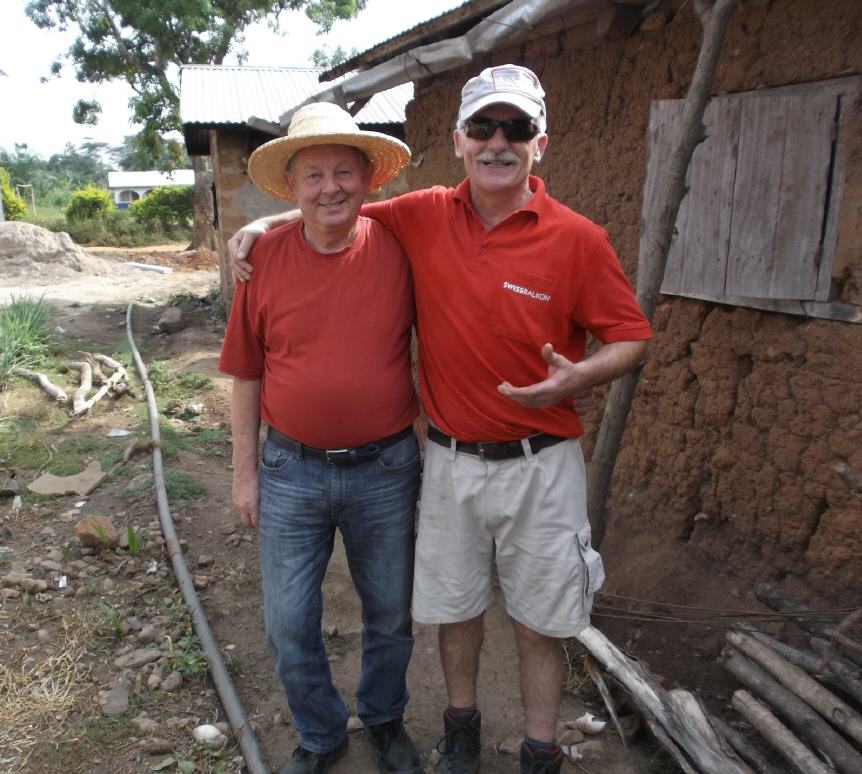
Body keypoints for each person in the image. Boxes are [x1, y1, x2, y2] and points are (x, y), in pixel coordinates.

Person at [230, 65, 653, 774]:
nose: (498, 142)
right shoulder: (421, 215)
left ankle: (533, 747)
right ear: (458, 140)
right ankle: (427, 730)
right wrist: (256, 224)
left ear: (538, 143)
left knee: (526, 618)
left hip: (526, 461)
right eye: (484, 127)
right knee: (434, 611)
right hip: (433, 461)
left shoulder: (575, 238)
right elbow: (329, 212)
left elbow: (633, 338)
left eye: (515, 128)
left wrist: (581, 376)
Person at [218, 102, 423, 774]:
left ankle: (385, 717)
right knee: (287, 623)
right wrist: (244, 472)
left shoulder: (401, 242)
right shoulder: (263, 261)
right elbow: (246, 373)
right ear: (293, 187)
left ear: (368, 179)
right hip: (290, 470)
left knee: (390, 612)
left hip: (387, 467)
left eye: (343, 171)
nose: (330, 186)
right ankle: (321, 732)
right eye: (314, 175)